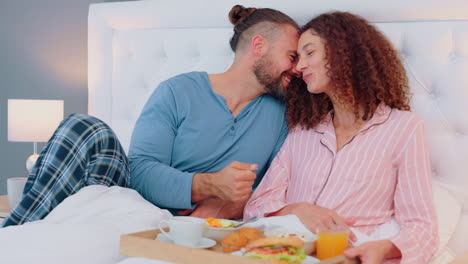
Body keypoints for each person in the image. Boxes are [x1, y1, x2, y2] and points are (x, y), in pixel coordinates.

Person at [1, 5, 300, 227]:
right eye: (291, 56)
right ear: (259, 46)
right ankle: (17, 234)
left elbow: (273, 191)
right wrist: (210, 185)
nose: (297, 68)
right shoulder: (178, 91)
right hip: (131, 202)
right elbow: (141, 173)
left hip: (192, 227)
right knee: (84, 127)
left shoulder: (281, 119)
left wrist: (229, 206)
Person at [244, 12, 438, 263]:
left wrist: (383, 249)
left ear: (343, 52)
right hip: (284, 254)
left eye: (309, 53)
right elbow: (254, 208)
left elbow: (421, 227)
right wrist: (296, 211)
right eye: (298, 56)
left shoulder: (403, 128)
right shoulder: (304, 130)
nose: (299, 66)